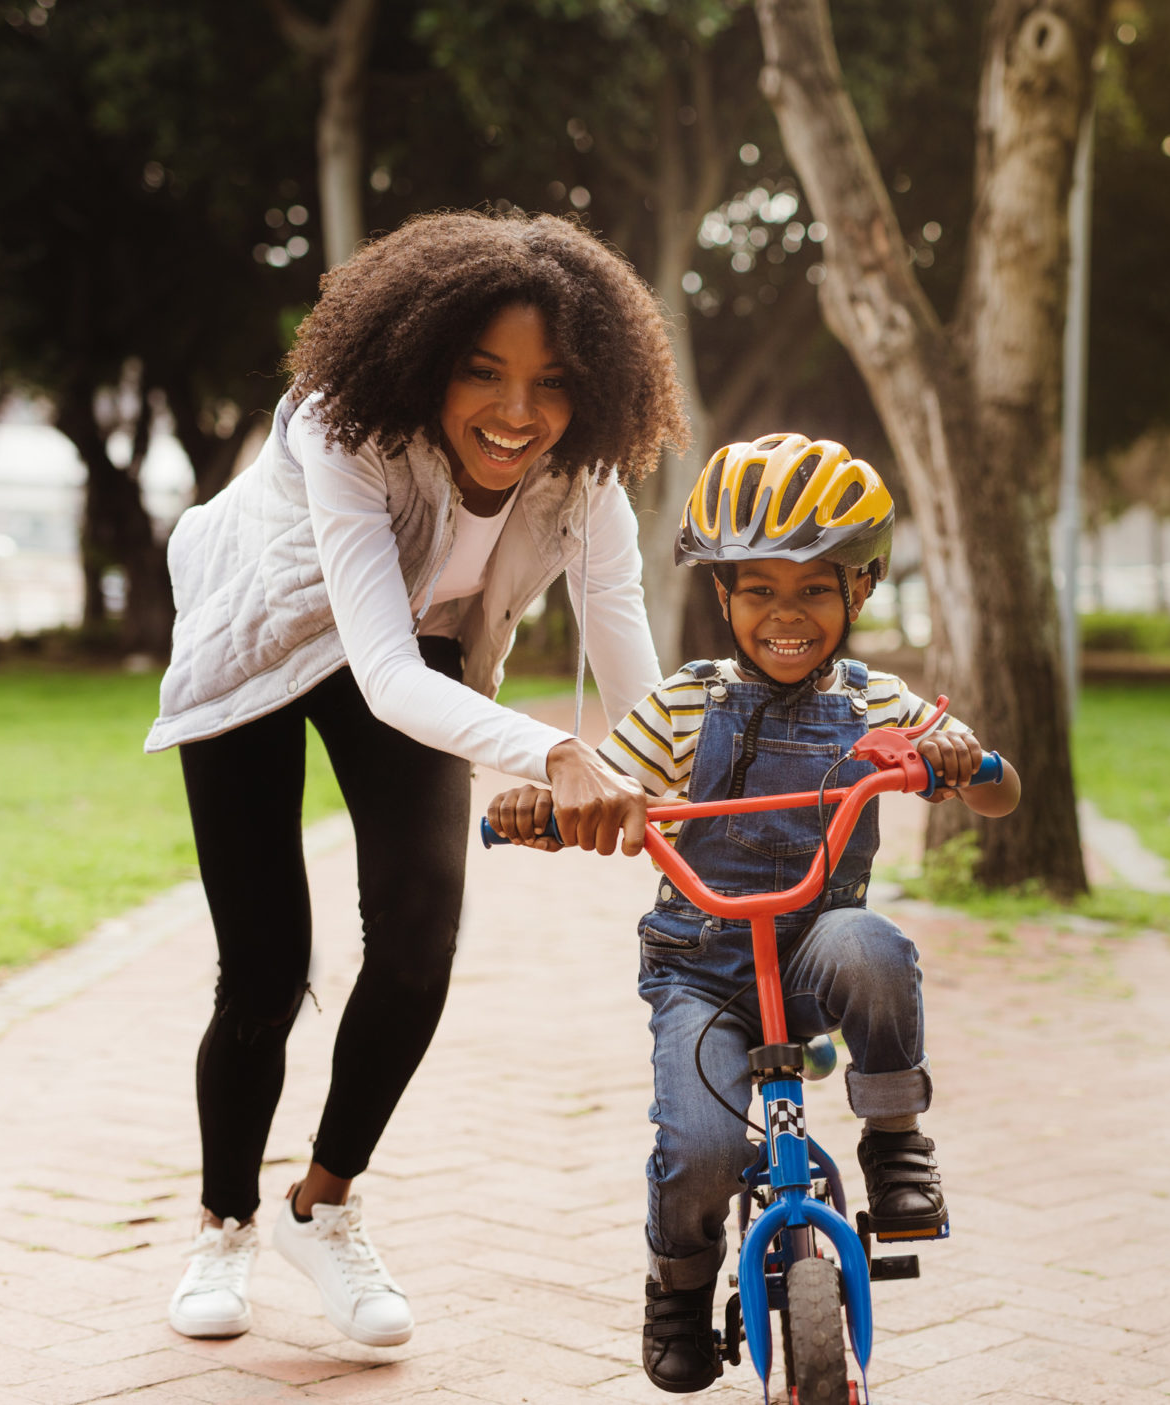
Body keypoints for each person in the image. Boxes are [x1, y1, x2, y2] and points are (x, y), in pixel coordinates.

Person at [145, 210, 688, 1346]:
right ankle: (224, 1223)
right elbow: (384, 674)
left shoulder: (585, 481)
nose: (516, 412)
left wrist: (671, 776)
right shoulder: (344, 432)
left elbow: (627, 649)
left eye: (550, 383)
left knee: (418, 931)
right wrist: (554, 749)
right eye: (482, 373)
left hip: (414, 647)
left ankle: (322, 1205)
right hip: (260, 644)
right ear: (423, 362)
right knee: (265, 964)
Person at [485, 432, 1021, 1393]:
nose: (786, 614)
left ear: (858, 593)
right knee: (697, 1151)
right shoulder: (689, 703)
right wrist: (551, 803)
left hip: (816, 950)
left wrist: (958, 761)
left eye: (814, 589)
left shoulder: (879, 704)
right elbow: (608, 779)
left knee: (876, 945)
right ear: (723, 596)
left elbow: (1001, 792)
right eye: (759, 589)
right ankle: (680, 1287)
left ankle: (895, 1141)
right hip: (703, 968)